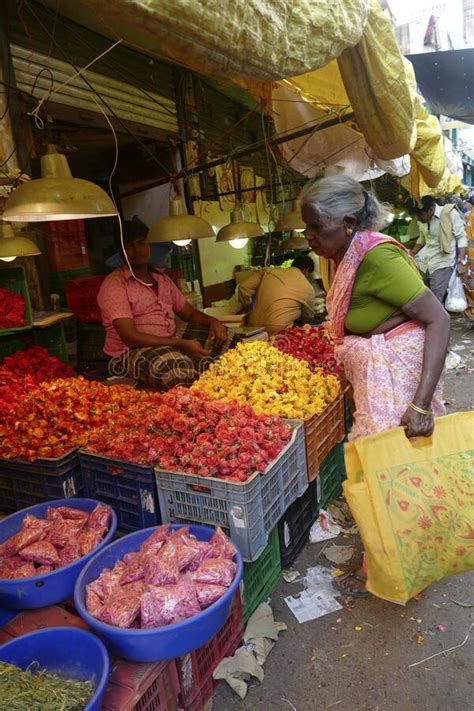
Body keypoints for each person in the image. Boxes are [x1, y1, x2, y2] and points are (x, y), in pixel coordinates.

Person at [301, 175, 450, 596]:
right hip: (375, 378)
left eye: (316, 228)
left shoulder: (377, 258)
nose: (309, 237)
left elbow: (438, 319)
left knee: (395, 475)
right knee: (377, 472)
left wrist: (420, 405)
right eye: (306, 228)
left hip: (399, 381)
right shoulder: (342, 255)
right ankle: (380, 559)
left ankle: (403, 571)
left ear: (348, 222)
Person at [97, 216, 239, 390]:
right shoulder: (114, 285)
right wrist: (181, 345)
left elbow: (189, 313)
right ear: (121, 252)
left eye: (141, 243)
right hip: (128, 353)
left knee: (229, 340)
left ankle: (232, 386)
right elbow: (129, 336)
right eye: (129, 246)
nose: (137, 250)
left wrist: (214, 322)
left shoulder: (161, 279)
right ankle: (196, 403)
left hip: (169, 340)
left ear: (149, 245)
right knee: (177, 370)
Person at [407, 196, 468, 303]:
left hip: (443, 263)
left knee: (436, 299)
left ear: (430, 209)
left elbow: (461, 237)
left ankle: (438, 318)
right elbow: (422, 237)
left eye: (420, 215)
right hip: (426, 263)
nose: (418, 218)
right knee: (421, 293)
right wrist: (412, 253)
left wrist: (461, 262)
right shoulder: (421, 220)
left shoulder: (449, 213)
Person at [237, 255, 317, 335]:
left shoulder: (268, 271)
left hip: (253, 327)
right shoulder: (307, 287)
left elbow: (243, 286)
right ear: (306, 270)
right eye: (308, 275)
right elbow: (308, 318)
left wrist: (249, 306)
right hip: (279, 331)